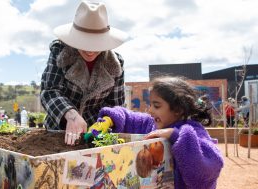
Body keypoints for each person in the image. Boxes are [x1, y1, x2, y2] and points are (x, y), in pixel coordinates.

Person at [91, 76, 224, 188]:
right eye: (150, 105)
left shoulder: (195, 132)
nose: (150, 110)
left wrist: (175, 135)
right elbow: (128, 117)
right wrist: (110, 119)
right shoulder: (151, 124)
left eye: (157, 106)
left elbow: (206, 171)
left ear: (178, 109)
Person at [40, 1, 128, 145]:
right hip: (58, 131)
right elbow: (50, 91)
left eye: (96, 44)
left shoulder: (116, 64)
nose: (89, 51)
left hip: (94, 136)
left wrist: (103, 124)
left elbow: (116, 107)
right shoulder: (60, 52)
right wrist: (70, 114)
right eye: (84, 43)